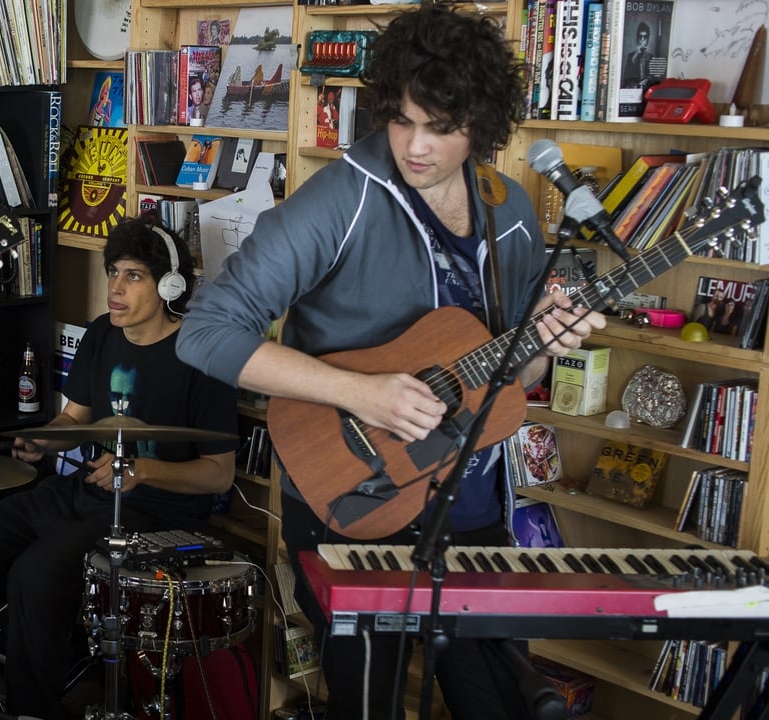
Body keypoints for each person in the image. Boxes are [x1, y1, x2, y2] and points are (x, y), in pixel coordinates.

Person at [175, 5, 606, 719]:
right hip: (356, 497)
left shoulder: (513, 212)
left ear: (484, 123)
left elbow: (507, 383)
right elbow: (206, 331)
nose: (414, 144)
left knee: (501, 704)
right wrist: (361, 393)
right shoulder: (340, 198)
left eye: (441, 128)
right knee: (368, 707)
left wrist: (544, 346)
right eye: (403, 119)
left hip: (471, 510)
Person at [0, 218, 238, 719]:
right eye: (112, 272)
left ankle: (31, 709)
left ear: (170, 285)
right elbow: (76, 418)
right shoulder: (101, 334)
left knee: (35, 572)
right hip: (87, 491)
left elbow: (219, 474)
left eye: (133, 276)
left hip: (156, 514)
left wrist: (143, 472)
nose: (114, 288)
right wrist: (43, 440)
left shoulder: (204, 356)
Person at [623, 20, 656, 88]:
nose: (642, 40)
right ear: (637, 39)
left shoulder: (651, 57)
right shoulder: (631, 56)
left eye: (645, 37)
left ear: (648, 40)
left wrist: (647, 80)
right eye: (640, 37)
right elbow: (626, 77)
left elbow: (653, 76)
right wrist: (636, 55)